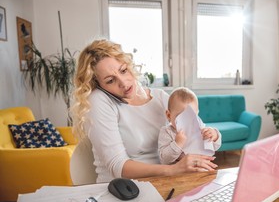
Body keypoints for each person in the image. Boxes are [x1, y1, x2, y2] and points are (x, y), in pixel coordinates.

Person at [71, 39, 217, 182]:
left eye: (123, 70)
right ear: (99, 86)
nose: (123, 82)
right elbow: (118, 165)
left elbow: (196, 134)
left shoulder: (160, 98)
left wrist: (211, 136)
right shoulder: (99, 100)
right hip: (123, 189)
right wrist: (174, 169)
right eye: (110, 80)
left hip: (166, 182)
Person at [158, 87, 221, 165]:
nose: (186, 121)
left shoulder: (200, 128)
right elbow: (164, 159)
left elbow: (215, 147)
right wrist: (177, 143)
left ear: (197, 114)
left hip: (202, 169)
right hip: (178, 173)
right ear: (169, 115)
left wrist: (214, 136)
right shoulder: (167, 132)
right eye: (180, 116)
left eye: (191, 116)